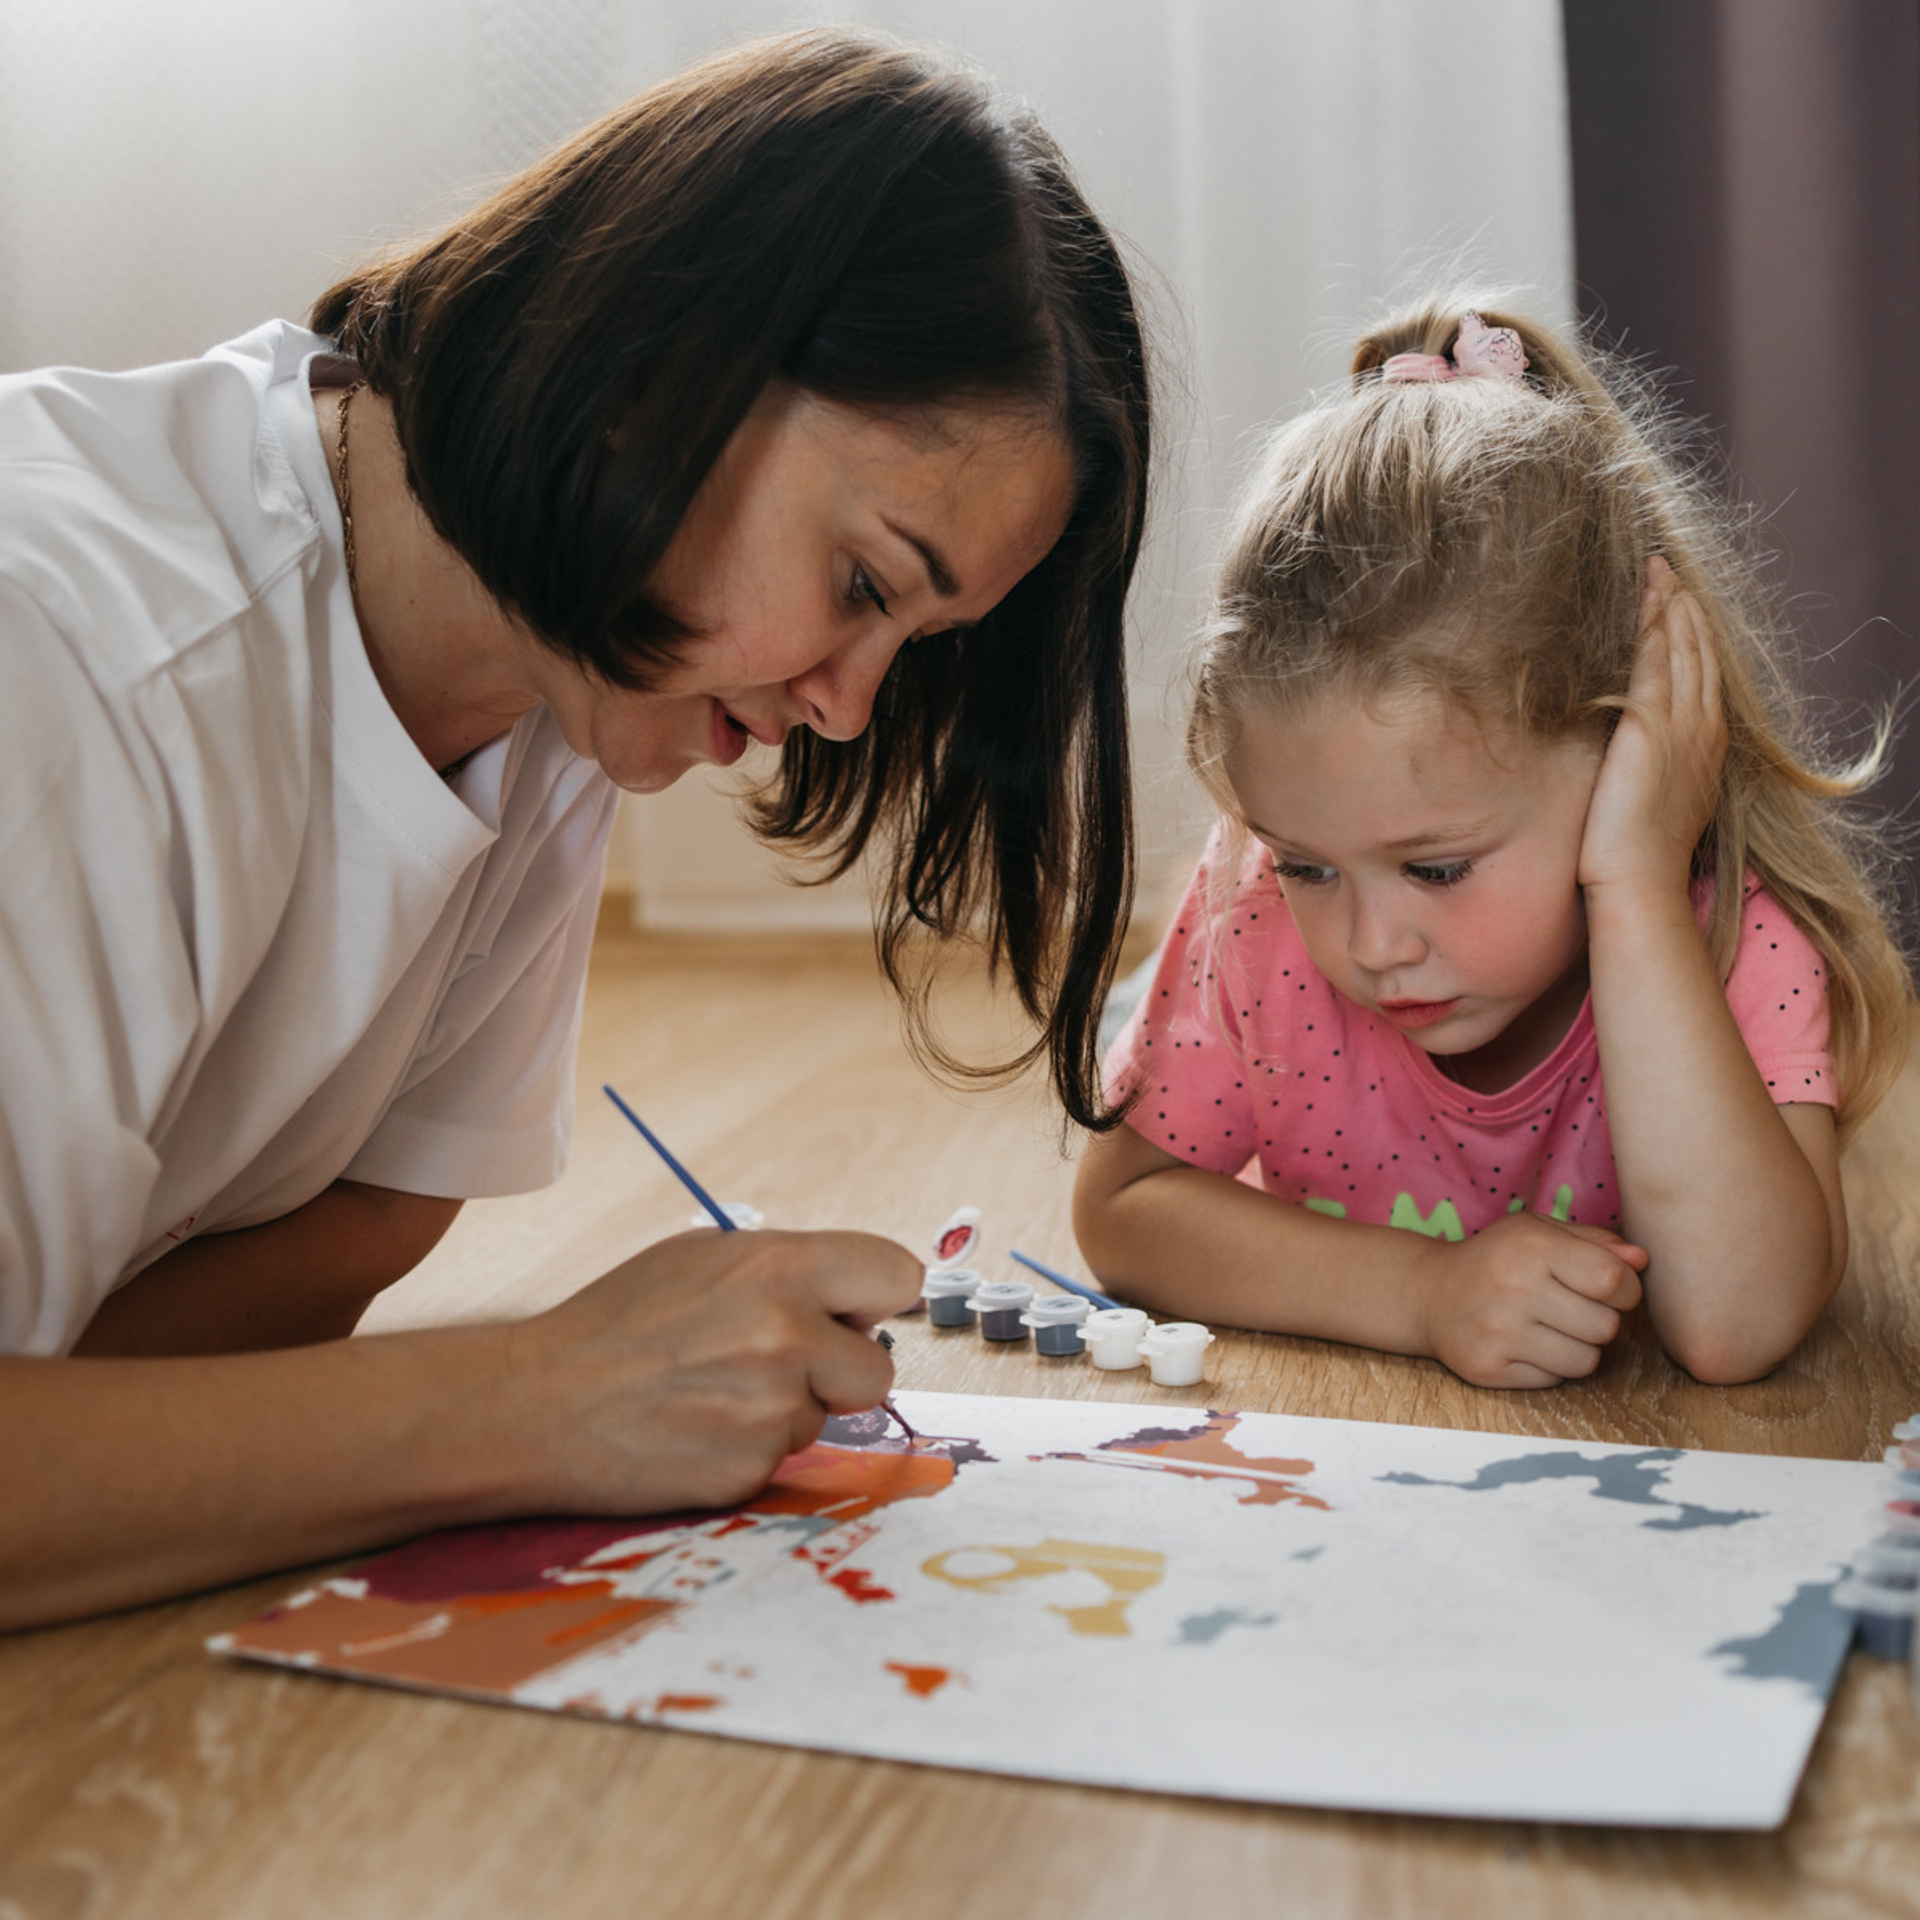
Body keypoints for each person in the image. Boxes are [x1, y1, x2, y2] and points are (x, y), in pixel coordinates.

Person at [0, 29, 1150, 1628]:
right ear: (664, 363)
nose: (846, 708)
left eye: (919, 643)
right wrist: (540, 1398)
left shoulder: (555, 682)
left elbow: (365, 1225)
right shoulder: (76, 662)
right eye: (866, 585)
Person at [1075, 296, 1913, 1392]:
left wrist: (1638, 885)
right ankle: (1143, 997)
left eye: (1436, 869)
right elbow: (1124, 1212)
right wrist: (1426, 1296)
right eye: (1310, 865)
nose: (1373, 944)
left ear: (1627, 754)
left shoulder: (1733, 936)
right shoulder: (1256, 906)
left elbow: (1735, 1325)